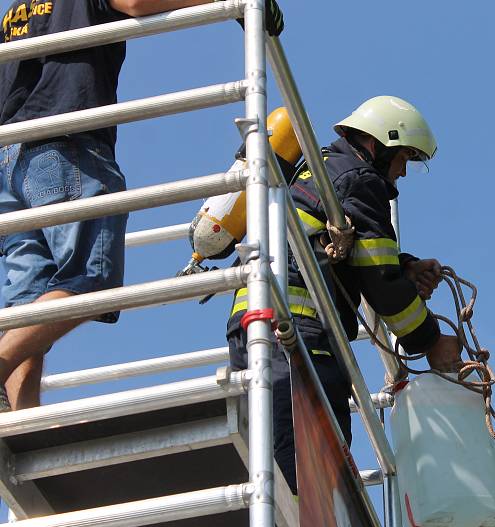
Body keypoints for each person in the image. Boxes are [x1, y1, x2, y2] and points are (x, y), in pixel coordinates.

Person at [0, 0, 284, 412]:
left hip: (8, 161)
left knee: (28, 306)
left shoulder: (17, 10)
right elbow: (132, 2)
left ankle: (20, 417)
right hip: (65, 141)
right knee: (90, 278)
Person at [227, 95, 463, 493]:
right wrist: (430, 341)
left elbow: (335, 247)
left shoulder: (317, 170)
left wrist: (403, 264)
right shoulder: (360, 179)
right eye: (403, 156)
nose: (403, 172)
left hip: (254, 332)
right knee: (307, 485)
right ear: (377, 144)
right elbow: (381, 284)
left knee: (270, 469)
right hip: (299, 341)